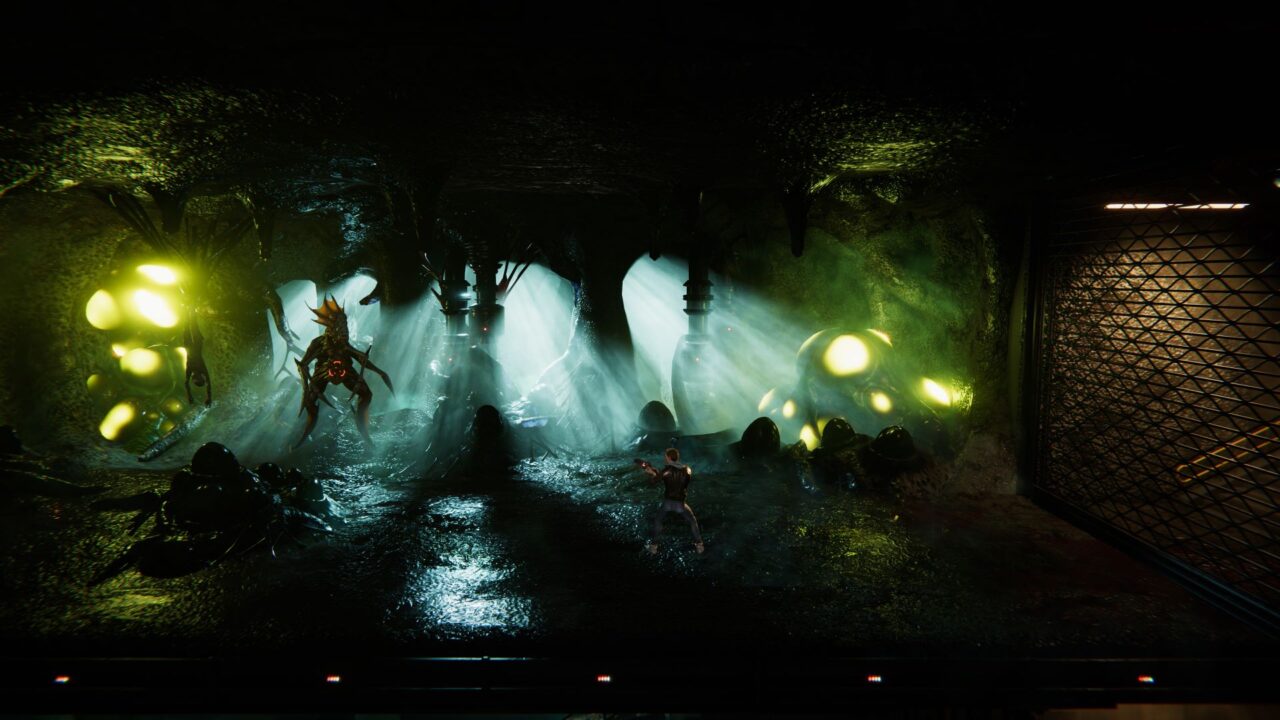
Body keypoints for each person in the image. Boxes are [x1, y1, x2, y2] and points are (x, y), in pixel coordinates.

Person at [638, 447, 704, 554]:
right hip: (680, 504)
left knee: (658, 520)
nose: (665, 459)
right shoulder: (687, 470)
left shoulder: (666, 470)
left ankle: (654, 547)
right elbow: (681, 478)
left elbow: (654, 481)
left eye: (665, 457)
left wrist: (652, 473)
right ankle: (699, 545)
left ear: (669, 457)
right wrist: (657, 472)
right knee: (692, 521)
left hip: (668, 503)